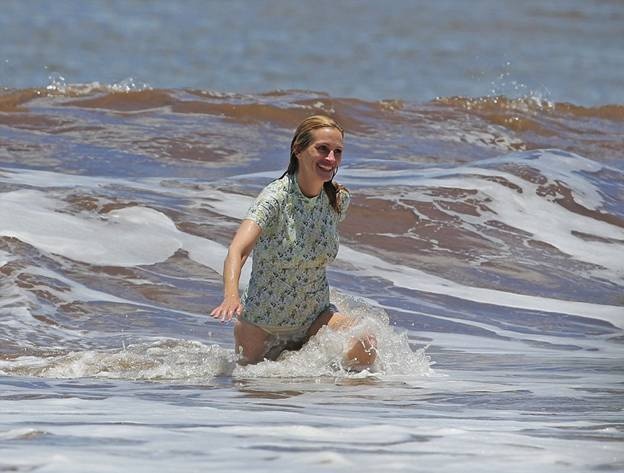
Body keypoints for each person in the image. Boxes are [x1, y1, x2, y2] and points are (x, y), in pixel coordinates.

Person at [210, 115, 376, 368]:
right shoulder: (275, 198)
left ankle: (345, 395)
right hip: (263, 326)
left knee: (366, 343)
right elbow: (238, 249)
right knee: (254, 386)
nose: (331, 159)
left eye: (338, 151)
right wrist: (231, 296)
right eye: (322, 149)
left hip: (315, 319)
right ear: (298, 150)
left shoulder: (337, 199)